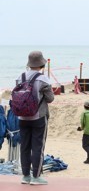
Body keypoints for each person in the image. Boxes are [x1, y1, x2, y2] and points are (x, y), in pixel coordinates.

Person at [17, 51, 55, 185]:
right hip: (38, 116)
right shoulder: (43, 79)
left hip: (22, 117)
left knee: (25, 146)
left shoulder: (20, 77)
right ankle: (36, 176)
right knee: (38, 146)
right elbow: (50, 99)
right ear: (41, 64)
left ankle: (25, 176)